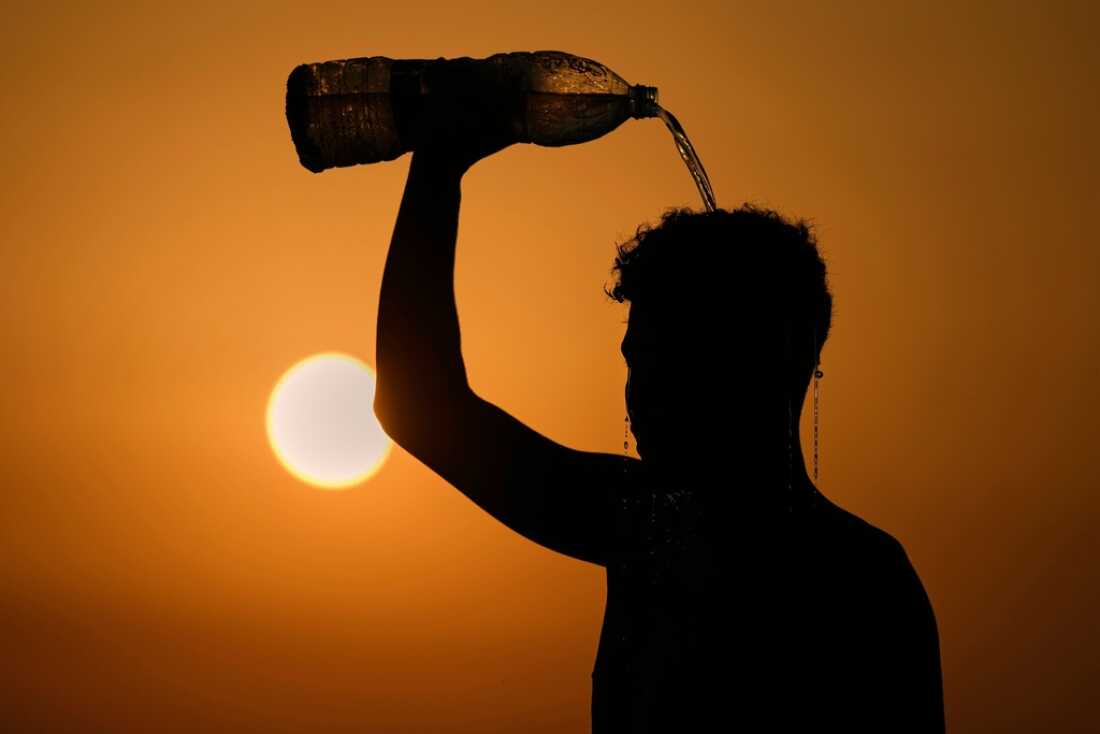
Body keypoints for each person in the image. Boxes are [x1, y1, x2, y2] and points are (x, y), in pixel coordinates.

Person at [373, 87, 945, 732]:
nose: (643, 391)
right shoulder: (854, 570)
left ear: (767, 359)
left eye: (675, 358)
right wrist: (438, 167)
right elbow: (422, 408)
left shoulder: (658, 528)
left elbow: (421, 408)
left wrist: (440, 166)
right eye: (635, 360)